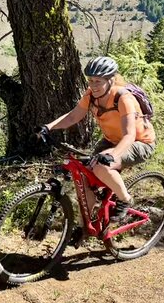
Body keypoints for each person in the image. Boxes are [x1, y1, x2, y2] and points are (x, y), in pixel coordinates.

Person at [39, 56, 156, 221]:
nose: (93, 85)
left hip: (139, 142)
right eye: (90, 80)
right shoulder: (91, 96)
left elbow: (129, 135)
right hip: (111, 140)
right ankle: (86, 225)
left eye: (98, 81)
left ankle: (125, 200)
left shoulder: (123, 99)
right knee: (84, 176)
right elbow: (73, 117)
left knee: (101, 167)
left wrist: (112, 155)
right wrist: (48, 127)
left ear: (111, 80)